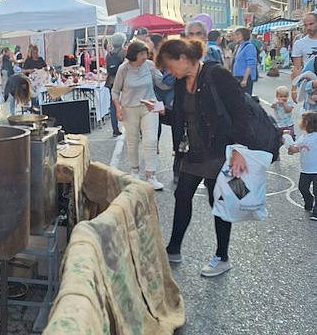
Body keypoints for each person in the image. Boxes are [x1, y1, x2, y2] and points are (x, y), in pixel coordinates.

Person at [156, 38, 251, 277]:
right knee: (182, 194)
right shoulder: (180, 83)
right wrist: (162, 112)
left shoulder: (216, 74)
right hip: (194, 152)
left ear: (184, 59)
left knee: (217, 201)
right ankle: (174, 248)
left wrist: (239, 148)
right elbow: (181, 116)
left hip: (219, 151)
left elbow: (240, 111)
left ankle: (222, 256)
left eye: (169, 65)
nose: (169, 71)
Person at [111, 40, 165, 190]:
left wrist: (157, 69)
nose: (144, 56)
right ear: (134, 54)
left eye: (146, 53)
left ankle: (151, 175)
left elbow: (162, 83)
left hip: (150, 106)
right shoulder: (124, 68)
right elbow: (115, 91)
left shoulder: (149, 65)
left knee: (151, 140)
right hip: (129, 108)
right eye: (141, 53)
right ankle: (135, 170)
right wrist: (118, 109)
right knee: (132, 141)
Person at [287, 111, 317, 219]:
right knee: (303, 188)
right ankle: (309, 200)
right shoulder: (303, 138)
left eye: (302, 120)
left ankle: (316, 212)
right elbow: (293, 150)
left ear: (307, 123)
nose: (300, 122)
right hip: (306, 169)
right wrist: (288, 143)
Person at [291, 13, 317, 103]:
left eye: (311, 24)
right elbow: (297, 67)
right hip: (309, 84)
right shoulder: (299, 43)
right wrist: (294, 89)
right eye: (306, 25)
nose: (308, 27)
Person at [105, 32, 126, 137]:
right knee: (128, 103)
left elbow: (107, 68)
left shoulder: (109, 54)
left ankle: (115, 128)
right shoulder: (124, 52)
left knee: (113, 104)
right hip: (124, 80)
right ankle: (134, 127)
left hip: (111, 80)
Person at [231, 27, 257, 94]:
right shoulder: (239, 47)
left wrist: (245, 79)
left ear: (244, 36)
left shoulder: (249, 47)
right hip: (237, 76)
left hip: (245, 76)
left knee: (245, 98)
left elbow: (250, 64)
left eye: (238, 34)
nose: (235, 37)